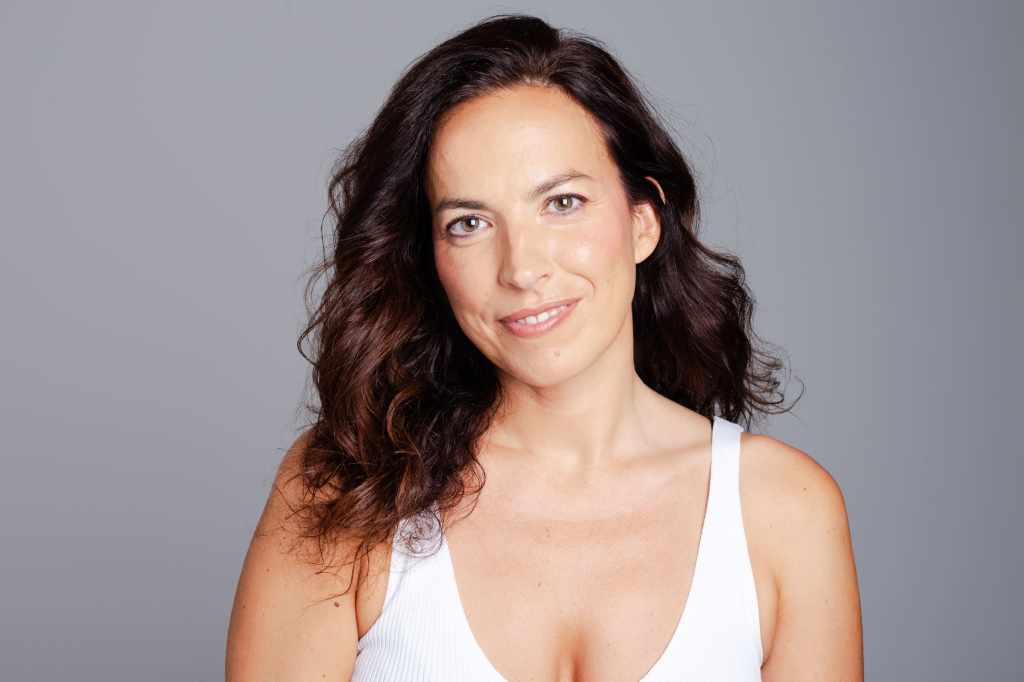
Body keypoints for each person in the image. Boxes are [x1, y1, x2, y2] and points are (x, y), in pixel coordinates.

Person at [226, 13, 863, 682]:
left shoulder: (784, 510)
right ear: (429, 256)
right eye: (469, 222)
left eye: (562, 203)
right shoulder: (345, 489)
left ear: (643, 222)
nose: (522, 268)